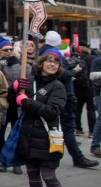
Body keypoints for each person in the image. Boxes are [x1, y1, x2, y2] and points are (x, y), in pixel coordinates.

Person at [12, 48, 68, 187]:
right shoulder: (30, 81)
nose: (52, 64)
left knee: (49, 175)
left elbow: (52, 111)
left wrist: (27, 102)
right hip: (29, 135)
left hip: (48, 137)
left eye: (56, 62)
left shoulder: (58, 86)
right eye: (49, 60)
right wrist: (14, 89)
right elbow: (12, 96)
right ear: (41, 63)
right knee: (32, 174)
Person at [41, 31, 98, 168]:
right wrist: (74, 71)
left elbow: (57, 73)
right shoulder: (51, 53)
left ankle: (47, 157)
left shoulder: (44, 52)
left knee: (55, 127)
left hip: (56, 93)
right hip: (62, 94)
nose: (52, 64)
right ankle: (77, 158)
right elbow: (59, 72)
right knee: (66, 127)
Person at [0, 36, 31, 174]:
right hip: (3, 104)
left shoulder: (20, 63)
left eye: (10, 49)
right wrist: (1, 63)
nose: (9, 52)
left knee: (17, 135)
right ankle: (4, 159)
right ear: (0, 51)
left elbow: (28, 74)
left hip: (17, 104)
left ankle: (16, 162)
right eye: (5, 50)